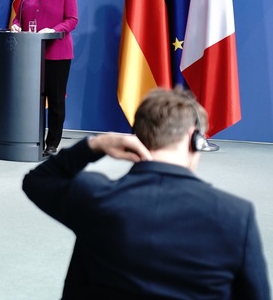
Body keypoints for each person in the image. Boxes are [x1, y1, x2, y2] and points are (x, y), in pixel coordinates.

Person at [22, 87, 270, 299]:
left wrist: (95, 145)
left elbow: (38, 181)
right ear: (193, 139)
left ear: (137, 137)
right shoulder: (236, 215)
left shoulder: (94, 196)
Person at [10, 0, 78, 155]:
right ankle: (32, 138)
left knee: (56, 99)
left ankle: (52, 143)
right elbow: (19, 17)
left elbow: (72, 19)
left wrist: (54, 30)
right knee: (32, 98)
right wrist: (15, 25)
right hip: (30, 55)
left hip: (57, 54)